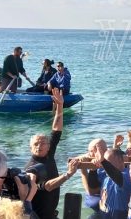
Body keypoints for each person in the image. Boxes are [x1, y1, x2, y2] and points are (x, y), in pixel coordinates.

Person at [25, 88, 79, 219]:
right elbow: (47, 186)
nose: (39, 146)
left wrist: (60, 106)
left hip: (51, 213)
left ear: (49, 146)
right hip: (39, 216)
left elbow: (56, 130)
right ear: (30, 148)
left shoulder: (49, 154)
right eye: (35, 144)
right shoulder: (32, 168)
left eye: (42, 143)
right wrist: (68, 174)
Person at [93, 146, 131, 218]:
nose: (104, 167)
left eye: (108, 163)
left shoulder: (128, 175)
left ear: (120, 162)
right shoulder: (104, 173)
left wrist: (103, 161)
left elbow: (117, 177)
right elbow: (92, 187)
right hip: (103, 214)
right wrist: (93, 170)